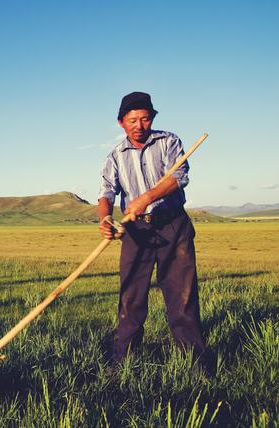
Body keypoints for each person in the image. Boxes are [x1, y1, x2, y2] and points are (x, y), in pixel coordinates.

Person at [98, 92, 208, 368]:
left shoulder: (169, 141)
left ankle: (192, 362)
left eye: (145, 118)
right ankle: (124, 362)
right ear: (121, 122)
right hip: (137, 231)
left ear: (152, 119)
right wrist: (104, 219)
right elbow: (107, 192)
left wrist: (146, 198)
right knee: (131, 296)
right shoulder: (115, 156)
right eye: (132, 120)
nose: (139, 125)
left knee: (181, 295)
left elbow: (178, 177)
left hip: (173, 224)